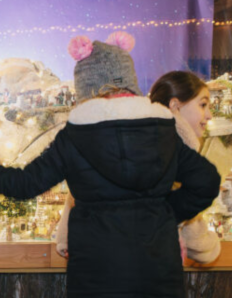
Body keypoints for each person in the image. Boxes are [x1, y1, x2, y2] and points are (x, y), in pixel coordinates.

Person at [0, 33, 221, 298]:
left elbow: (24, 184)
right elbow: (206, 181)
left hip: (99, 274)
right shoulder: (164, 130)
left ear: (86, 85)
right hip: (155, 271)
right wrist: (166, 213)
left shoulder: (75, 136)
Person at [56, 70, 221, 265]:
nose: (209, 115)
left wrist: (65, 237)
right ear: (175, 106)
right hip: (144, 272)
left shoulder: (131, 138)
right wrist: (213, 244)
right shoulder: (170, 153)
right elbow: (199, 245)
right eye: (203, 105)